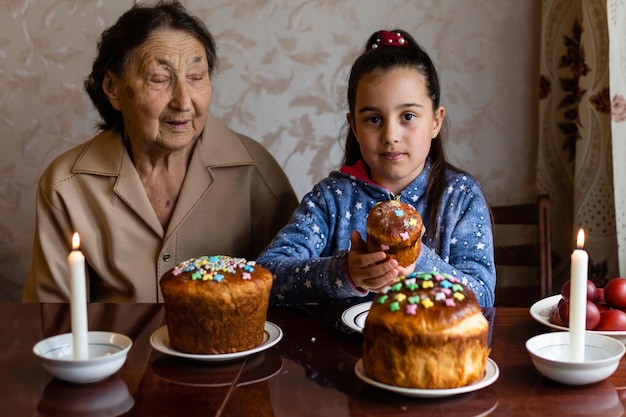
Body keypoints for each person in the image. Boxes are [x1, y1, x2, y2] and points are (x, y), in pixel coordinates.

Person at [23, 1, 298, 302]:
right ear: (113, 88)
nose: (183, 101)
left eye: (196, 77)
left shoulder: (256, 173)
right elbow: (50, 321)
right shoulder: (66, 185)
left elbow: (295, 294)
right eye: (159, 79)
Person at [257, 29, 495, 307]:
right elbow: (268, 275)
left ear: (435, 121)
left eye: (408, 116)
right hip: (342, 349)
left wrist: (417, 261)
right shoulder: (332, 198)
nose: (390, 135)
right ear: (354, 127)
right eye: (373, 119)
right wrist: (344, 272)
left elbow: (483, 297)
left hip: (429, 349)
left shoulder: (460, 196)